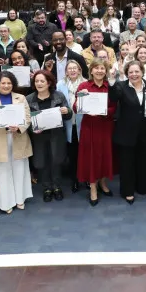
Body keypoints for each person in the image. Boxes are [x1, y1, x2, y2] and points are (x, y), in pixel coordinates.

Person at [0, 71, 33, 213]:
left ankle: (20, 200)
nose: (6, 85)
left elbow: (28, 118)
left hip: (18, 137)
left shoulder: (21, 98)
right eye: (3, 83)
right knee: (3, 171)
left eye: (9, 83)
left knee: (20, 168)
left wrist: (18, 127)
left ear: (13, 84)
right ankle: (6, 203)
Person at [109, 60, 146, 204]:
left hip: (145, 131)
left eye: (137, 71)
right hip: (125, 132)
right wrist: (111, 80)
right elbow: (112, 98)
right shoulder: (120, 86)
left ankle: (141, 186)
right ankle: (127, 191)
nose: (134, 74)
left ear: (142, 72)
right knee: (126, 163)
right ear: (127, 74)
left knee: (142, 161)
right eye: (131, 72)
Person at [74, 61, 117, 206]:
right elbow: (75, 108)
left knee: (105, 155)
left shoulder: (109, 87)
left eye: (102, 68)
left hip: (105, 125)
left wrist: (103, 111)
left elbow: (114, 107)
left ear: (106, 71)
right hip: (89, 127)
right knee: (91, 157)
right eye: (96, 68)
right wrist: (81, 98)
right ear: (91, 71)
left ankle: (103, 183)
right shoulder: (83, 86)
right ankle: (93, 187)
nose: (99, 71)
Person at [26, 70, 72, 202]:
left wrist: (66, 111)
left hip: (56, 135)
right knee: (42, 162)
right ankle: (46, 188)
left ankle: (57, 187)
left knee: (56, 161)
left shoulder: (58, 96)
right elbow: (26, 120)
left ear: (49, 83)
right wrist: (32, 129)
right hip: (39, 136)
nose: (39, 84)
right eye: (36, 81)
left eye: (42, 81)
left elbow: (68, 115)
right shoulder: (29, 99)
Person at [56, 60, 86, 193]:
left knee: (84, 153)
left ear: (79, 70)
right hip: (68, 124)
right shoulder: (60, 85)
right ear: (66, 71)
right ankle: (75, 180)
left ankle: (85, 178)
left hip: (84, 124)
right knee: (72, 154)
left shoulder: (86, 83)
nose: (73, 70)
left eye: (75, 68)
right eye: (70, 68)